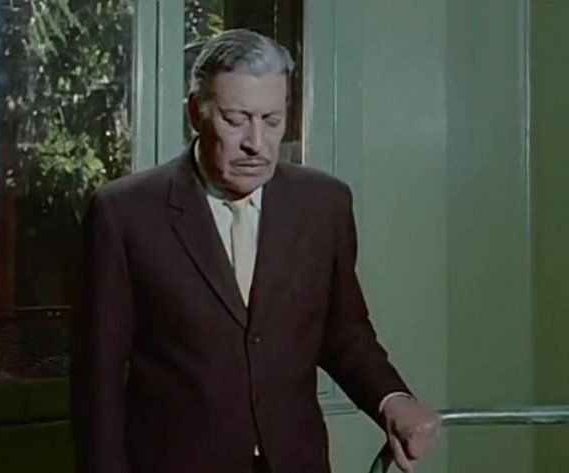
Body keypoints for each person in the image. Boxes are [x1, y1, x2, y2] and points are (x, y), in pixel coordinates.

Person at [71, 28, 439, 473]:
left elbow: (345, 333)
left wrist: (393, 400)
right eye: (236, 119)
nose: (256, 142)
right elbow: (98, 381)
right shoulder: (125, 213)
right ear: (196, 113)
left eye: (271, 120)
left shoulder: (324, 204)